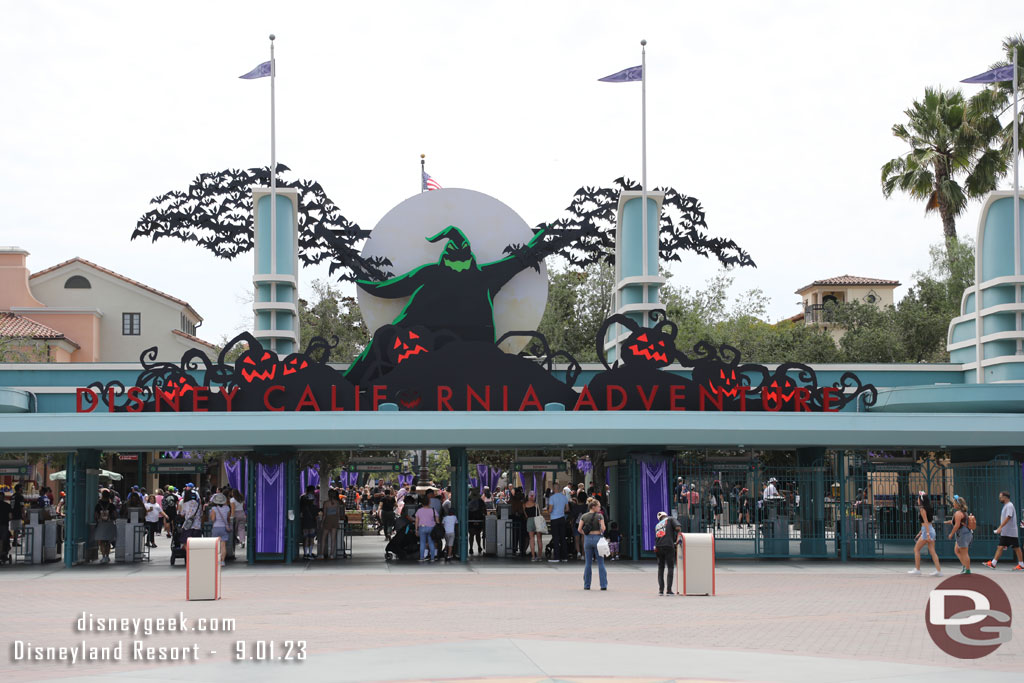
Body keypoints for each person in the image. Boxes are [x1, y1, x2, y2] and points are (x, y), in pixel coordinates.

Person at [982, 490, 1024, 571]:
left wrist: (1000, 527)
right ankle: (994, 563)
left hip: (1009, 532)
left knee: (1014, 547)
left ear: (1005, 497)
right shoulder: (1007, 505)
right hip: (1007, 532)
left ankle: (1021, 564)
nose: (999, 499)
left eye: (1000, 497)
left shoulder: (1009, 506)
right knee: (1003, 547)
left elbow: (1008, 517)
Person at [907, 492, 942, 576]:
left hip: (927, 531)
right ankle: (938, 571)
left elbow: (925, 522)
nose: (917, 500)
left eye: (918, 499)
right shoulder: (929, 508)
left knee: (916, 549)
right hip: (930, 530)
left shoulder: (922, 509)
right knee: (933, 552)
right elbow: (928, 522)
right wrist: (921, 532)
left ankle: (917, 569)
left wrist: (926, 533)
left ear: (921, 500)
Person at [578, 499, 608, 590]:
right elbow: (603, 528)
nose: (600, 508)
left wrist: (586, 534)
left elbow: (579, 529)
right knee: (601, 563)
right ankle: (603, 585)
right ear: (593, 507)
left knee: (588, 563)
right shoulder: (600, 516)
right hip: (598, 539)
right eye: (598, 506)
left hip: (587, 539)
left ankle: (587, 585)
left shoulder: (584, 516)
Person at [654, 511, 682, 595]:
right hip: (668, 546)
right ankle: (669, 590)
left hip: (658, 547)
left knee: (660, 568)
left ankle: (661, 590)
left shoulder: (657, 525)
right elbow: (678, 528)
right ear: (665, 515)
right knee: (670, 567)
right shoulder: (670, 519)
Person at [946, 495, 972, 574]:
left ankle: (967, 569)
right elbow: (957, 522)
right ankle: (965, 566)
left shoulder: (958, 513)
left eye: (954, 502)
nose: (953, 504)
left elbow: (957, 525)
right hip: (966, 533)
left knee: (964, 552)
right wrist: (946, 522)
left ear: (958, 504)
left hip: (962, 534)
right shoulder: (964, 513)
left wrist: (951, 534)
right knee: (957, 550)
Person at [547, 485, 569, 563]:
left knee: (556, 538)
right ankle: (565, 557)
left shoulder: (552, 498)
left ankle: (557, 557)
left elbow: (550, 510)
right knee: (563, 538)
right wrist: (561, 511)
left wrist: (550, 511)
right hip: (562, 518)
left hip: (554, 519)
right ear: (560, 489)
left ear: (553, 489)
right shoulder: (564, 497)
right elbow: (567, 509)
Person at [94, 489, 117, 564]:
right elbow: (115, 515)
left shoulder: (98, 505)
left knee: (101, 541)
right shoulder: (111, 505)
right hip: (109, 523)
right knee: (107, 541)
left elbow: (96, 515)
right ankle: (107, 556)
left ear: (102, 495)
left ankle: (103, 556)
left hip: (101, 524)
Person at [208, 492, 231, 566]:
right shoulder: (227, 508)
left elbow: (213, 519)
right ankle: (222, 561)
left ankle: (216, 560)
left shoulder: (214, 509)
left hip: (216, 527)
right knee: (223, 545)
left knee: (216, 545)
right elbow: (228, 519)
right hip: (224, 528)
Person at [320, 489, 342, 560]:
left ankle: (322, 554)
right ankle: (332, 554)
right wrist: (337, 521)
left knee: (323, 538)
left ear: (328, 495)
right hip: (335, 520)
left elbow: (324, 514)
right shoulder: (337, 503)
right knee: (333, 538)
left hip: (328, 520)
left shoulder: (326, 503)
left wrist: (322, 522)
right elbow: (338, 513)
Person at [299, 485, 319, 561]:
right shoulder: (314, 508)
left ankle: (305, 554)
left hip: (304, 521)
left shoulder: (302, 500)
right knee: (311, 538)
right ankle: (310, 553)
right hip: (312, 523)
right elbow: (316, 516)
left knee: (305, 538)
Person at [524, 491, 544, 561]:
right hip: (537, 521)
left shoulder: (524, 505)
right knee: (539, 539)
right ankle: (540, 556)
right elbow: (539, 513)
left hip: (529, 521)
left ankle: (533, 556)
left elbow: (525, 515)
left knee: (531, 539)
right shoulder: (536, 505)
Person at [509, 486, 527, 557]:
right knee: (521, 535)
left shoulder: (513, 500)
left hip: (515, 519)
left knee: (515, 535)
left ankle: (515, 549)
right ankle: (522, 550)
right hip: (521, 519)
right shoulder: (522, 500)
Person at [468, 488, 485, 555]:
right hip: (479, 519)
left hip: (470, 519)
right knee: (478, 534)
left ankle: (471, 548)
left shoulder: (468, 500)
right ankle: (479, 547)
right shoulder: (480, 501)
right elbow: (484, 509)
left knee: (471, 535)